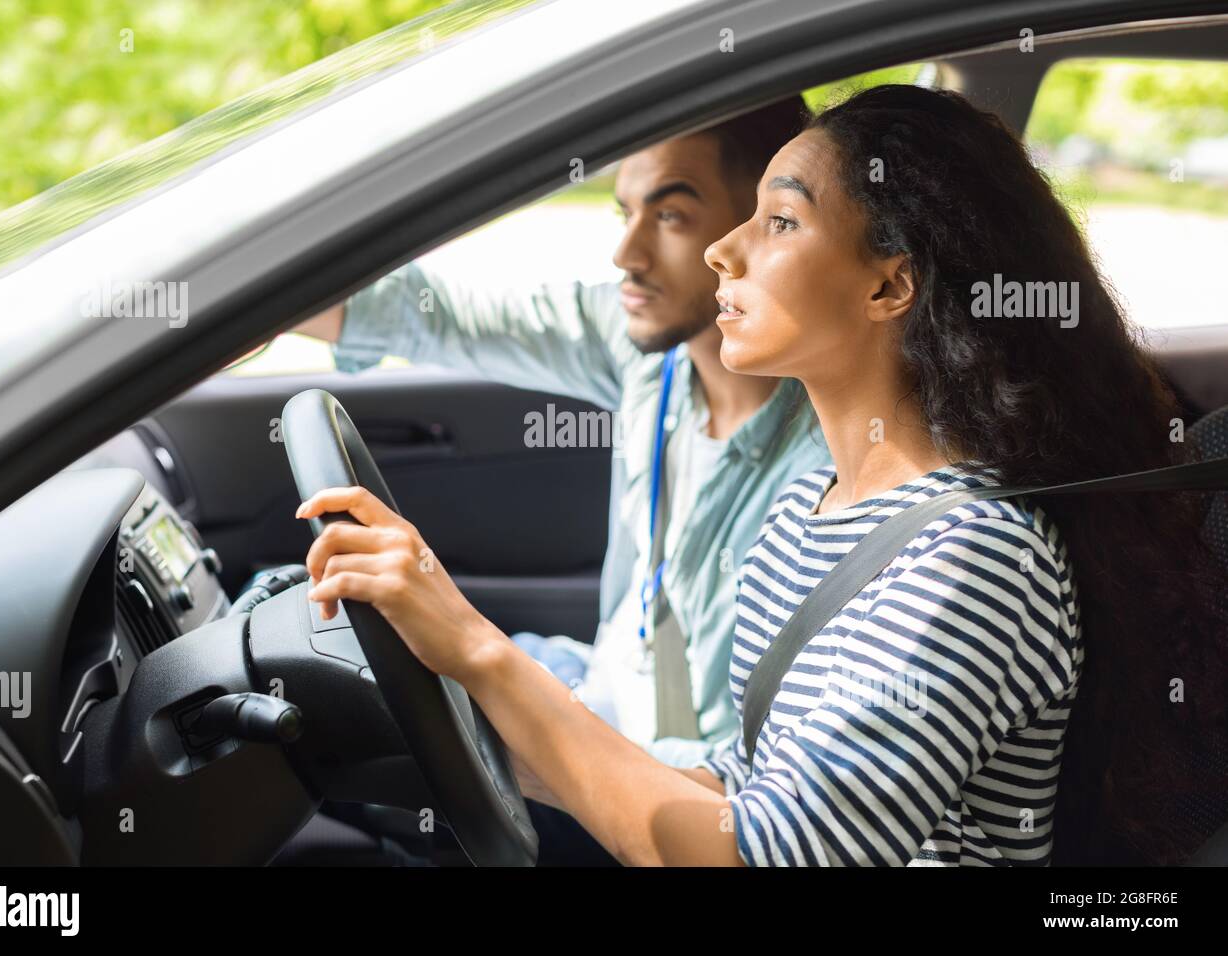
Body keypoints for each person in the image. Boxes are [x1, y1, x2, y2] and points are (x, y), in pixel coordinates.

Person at [296, 84, 1227, 865]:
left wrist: (476, 649)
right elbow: (738, 791)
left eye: (778, 220)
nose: (720, 251)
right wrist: (450, 697)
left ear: (887, 287)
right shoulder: (811, 503)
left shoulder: (978, 561)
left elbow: (756, 856)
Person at [294, 94, 828, 773]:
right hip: (598, 694)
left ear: (762, 229)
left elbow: (753, 799)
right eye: (624, 212)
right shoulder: (645, 351)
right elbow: (441, 317)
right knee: (321, 661)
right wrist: (236, 296)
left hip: (668, 781)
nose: (626, 254)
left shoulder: (831, 462)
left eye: (670, 215)